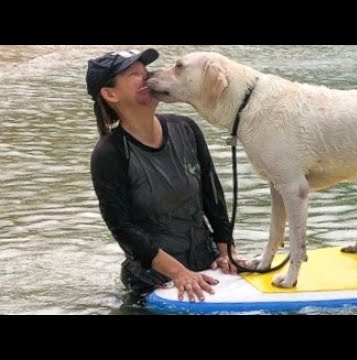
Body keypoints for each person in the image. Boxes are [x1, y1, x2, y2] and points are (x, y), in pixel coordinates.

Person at [87, 48, 244, 303]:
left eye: (145, 71)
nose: (147, 77)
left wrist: (227, 253)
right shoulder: (109, 154)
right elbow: (122, 228)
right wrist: (179, 273)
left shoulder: (186, 129)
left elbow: (212, 195)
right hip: (152, 283)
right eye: (133, 74)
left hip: (207, 266)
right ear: (110, 94)